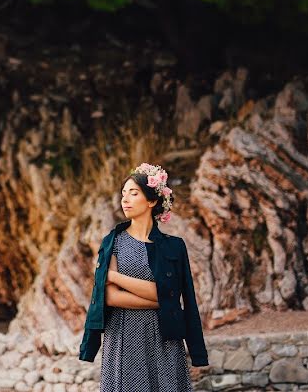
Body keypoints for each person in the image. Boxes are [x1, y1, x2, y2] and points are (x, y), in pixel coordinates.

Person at [78, 162, 209, 391]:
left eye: (133, 193)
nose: (125, 200)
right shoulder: (113, 242)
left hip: (164, 340)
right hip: (123, 339)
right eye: (123, 194)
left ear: (152, 201)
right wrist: (162, 299)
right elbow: (110, 297)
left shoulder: (174, 247)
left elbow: (185, 298)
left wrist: (114, 276)